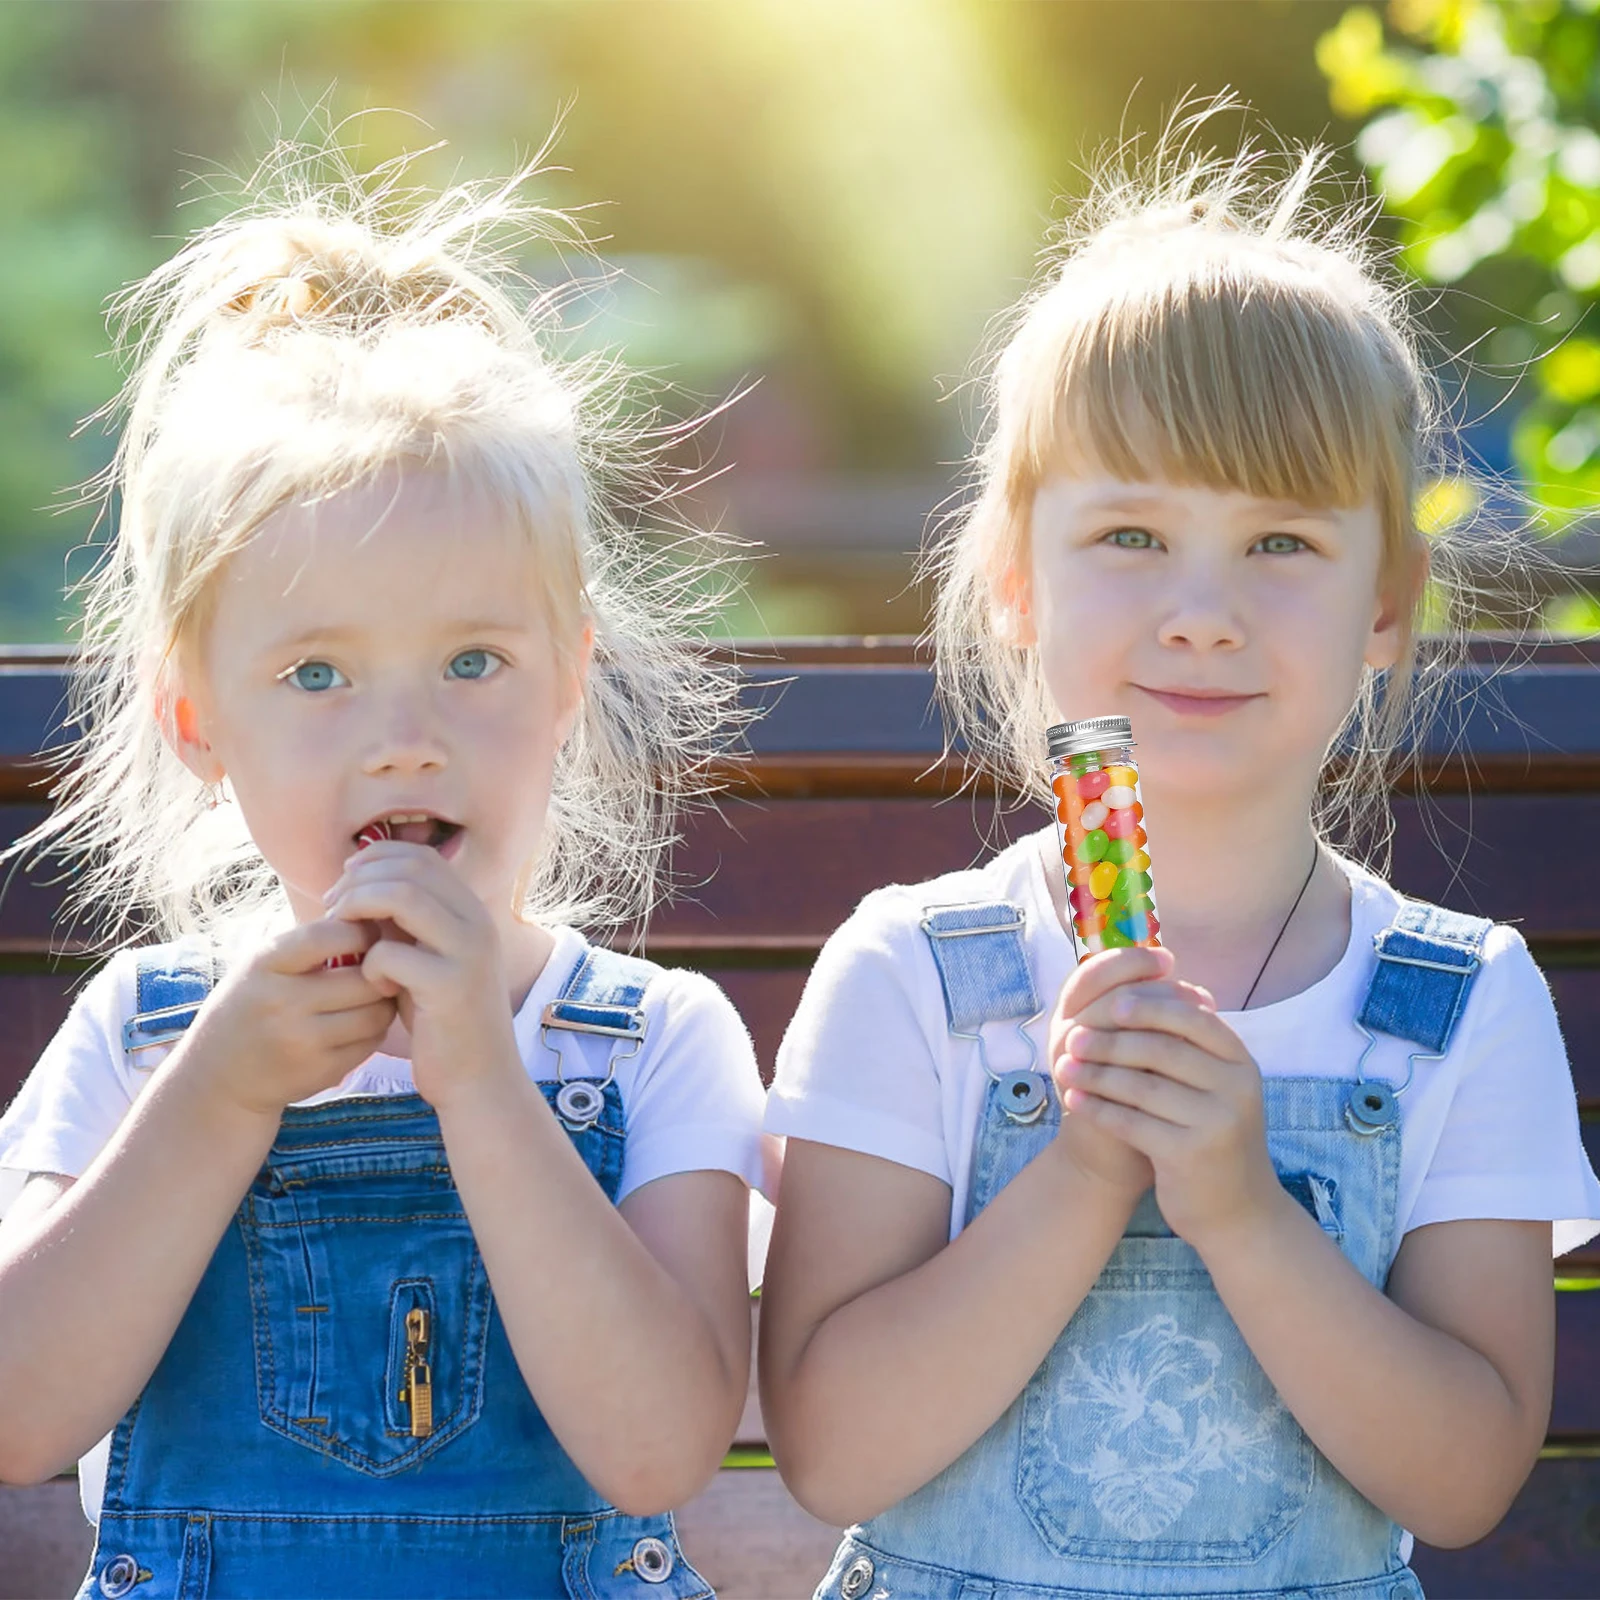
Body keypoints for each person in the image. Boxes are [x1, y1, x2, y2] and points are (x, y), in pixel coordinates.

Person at [758, 114, 1600, 1600]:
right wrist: (1086, 1173)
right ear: (1017, 579)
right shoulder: (913, 972)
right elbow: (831, 1452)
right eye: (1134, 536)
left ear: (1389, 603)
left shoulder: (1462, 1004)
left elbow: (1464, 1483)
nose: (1203, 611)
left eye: (1281, 545)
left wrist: (1238, 1206)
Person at [0, 140, 765, 1599]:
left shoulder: (656, 1043)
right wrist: (220, 1094)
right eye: (318, 674)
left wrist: (483, 1077)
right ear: (196, 720)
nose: (406, 740)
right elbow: (24, 1418)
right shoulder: (144, 1037)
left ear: (566, 686)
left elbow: (661, 1451)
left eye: (474, 661)